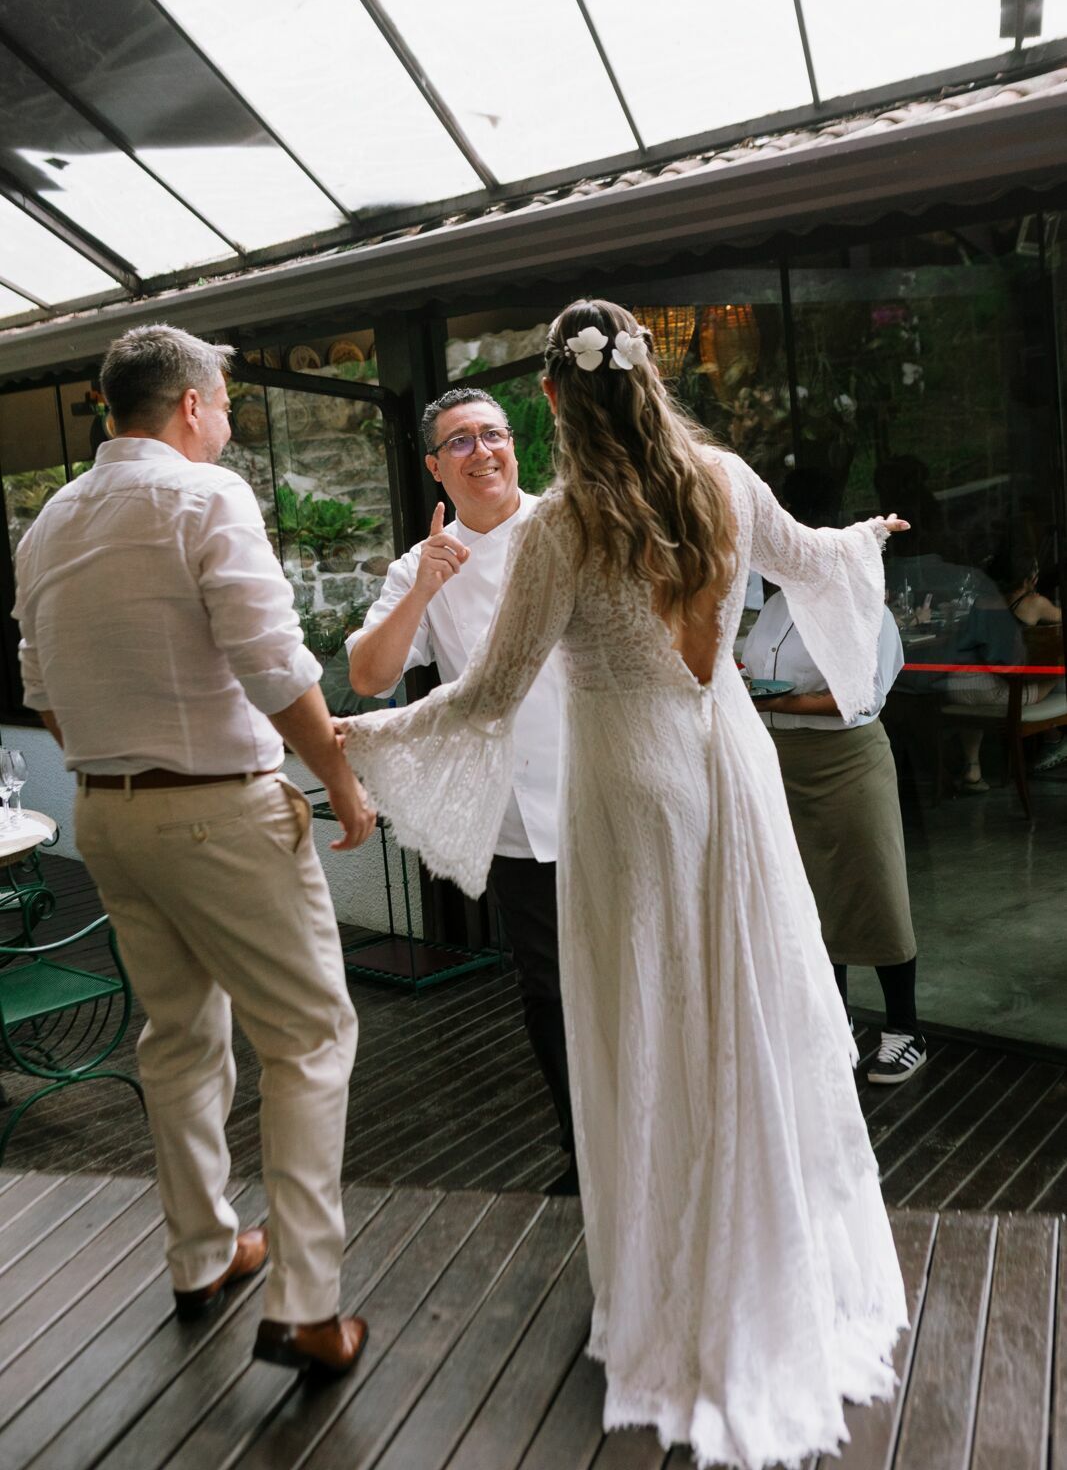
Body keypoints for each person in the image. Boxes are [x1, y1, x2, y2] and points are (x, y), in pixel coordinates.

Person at [339, 298, 909, 1469]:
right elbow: (815, 559)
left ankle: (674, 1275)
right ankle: (773, 1254)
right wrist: (868, 539)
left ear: (551, 401)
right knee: (750, 1004)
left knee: (647, 1025)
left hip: (624, 792)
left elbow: (488, 696)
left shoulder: (561, 526)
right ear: (652, 379)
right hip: (728, 770)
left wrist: (366, 737)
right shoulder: (725, 480)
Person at [13, 324, 375, 1378]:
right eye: (220, 402)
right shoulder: (204, 496)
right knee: (308, 1038)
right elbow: (269, 655)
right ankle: (308, 1306)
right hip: (218, 812)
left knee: (177, 1036)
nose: (223, 419)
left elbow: (44, 689)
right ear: (189, 406)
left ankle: (204, 1255)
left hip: (107, 814)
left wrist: (121, 770)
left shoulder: (47, 526)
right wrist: (339, 776)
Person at [347, 386, 576, 1193]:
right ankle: (583, 1151)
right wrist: (423, 588)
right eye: (460, 442)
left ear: (515, 447)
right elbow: (369, 675)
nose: (481, 451)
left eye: (492, 435)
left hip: (604, 793)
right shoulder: (422, 563)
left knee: (638, 967)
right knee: (548, 989)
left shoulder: (568, 524)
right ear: (434, 468)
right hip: (516, 819)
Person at [743, 468, 926, 1084]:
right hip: (782, 762)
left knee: (873, 889)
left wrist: (777, 703)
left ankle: (906, 1029)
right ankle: (837, 1020)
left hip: (849, 762)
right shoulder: (770, 606)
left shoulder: (860, 606)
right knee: (810, 898)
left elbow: (863, 700)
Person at [943, 536, 1064, 791]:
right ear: (1027, 577)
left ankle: (973, 768)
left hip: (957, 687)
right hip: (1000, 694)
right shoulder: (1034, 603)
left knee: (984, 686)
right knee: (1057, 674)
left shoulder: (980, 603)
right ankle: (1056, 737)